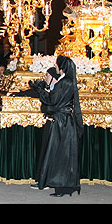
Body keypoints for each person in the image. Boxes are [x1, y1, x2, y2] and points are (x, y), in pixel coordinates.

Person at [29, 55, 83, 197]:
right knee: (63, 154)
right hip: (65, 120)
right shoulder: (67, 81)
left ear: (61, 67)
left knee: (59, 154)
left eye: (57, 65)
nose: (56, 67)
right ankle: (63, 186)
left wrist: (40, 89)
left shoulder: (64, 82)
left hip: (61, 121)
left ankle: (62, 186)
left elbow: (52, 101)